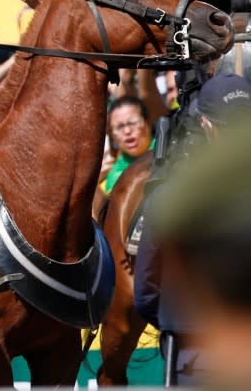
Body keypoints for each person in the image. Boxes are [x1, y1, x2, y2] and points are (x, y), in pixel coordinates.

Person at [134, 73, 251, 387]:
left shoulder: (174, 196)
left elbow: (146, 290)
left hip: (197, 355)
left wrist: (176, 319)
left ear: (207, 125)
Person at [99, 96, 155, 196]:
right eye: (119, 127)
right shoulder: (112, 177)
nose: (127, 131)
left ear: (148, 122)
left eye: (132, 122)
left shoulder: (170, 151)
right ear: (112, 134)